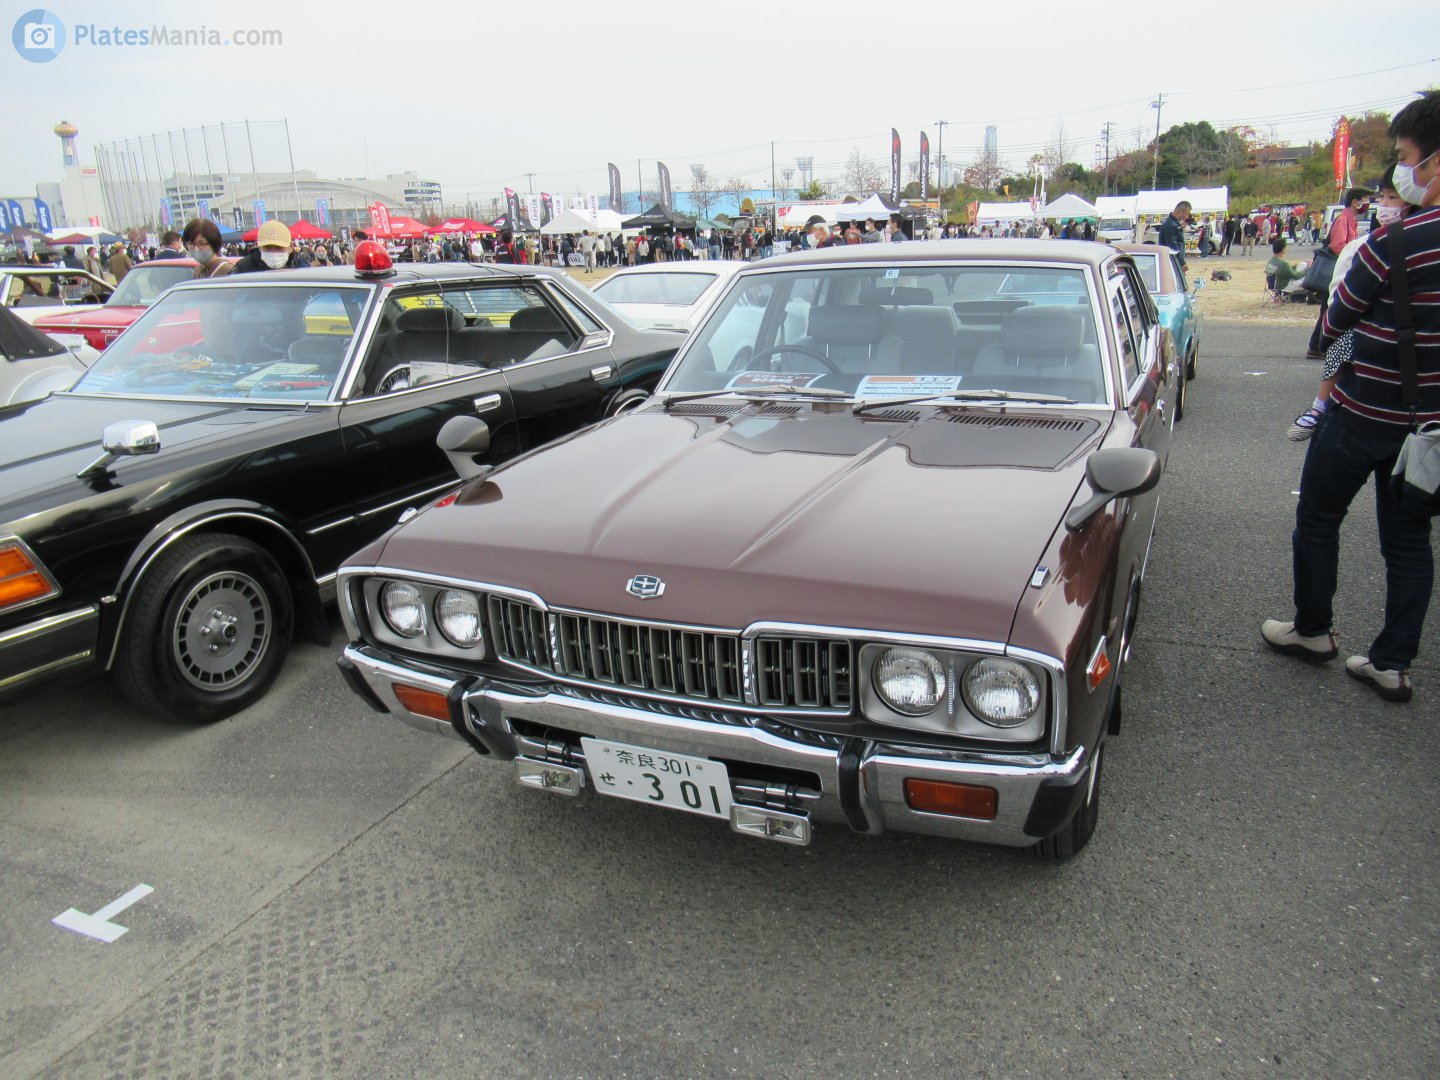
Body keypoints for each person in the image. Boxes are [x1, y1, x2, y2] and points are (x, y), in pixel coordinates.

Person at [1262, 90, 1440, 703]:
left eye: (1407, 159)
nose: (1401, 175)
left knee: (1318, 517)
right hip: (1429, 429)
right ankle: (1390, 663)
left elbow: (1335, 318)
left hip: (1365, 410)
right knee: (1409, 541)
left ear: (1436, 164)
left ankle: (1313, 630)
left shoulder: (1398, 243)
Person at [1286, 168, 1418, 441]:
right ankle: (1319, 406)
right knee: (1344, 336)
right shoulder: (1362, 245)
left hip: (1403, 338)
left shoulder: (1411, 242)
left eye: (1393, 198)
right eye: (1383, 197)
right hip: (1366, 328)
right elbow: (1339, 300)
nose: (1385, 205)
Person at [1305, 187, 1372, 358]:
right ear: (1354, 202)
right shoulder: (1343, 219)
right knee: (1329, 307)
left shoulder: (1350, 219)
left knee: (1329, 307)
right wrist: (1353, 253)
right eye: (1364, 200)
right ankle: (1317, 346)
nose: (1366, 204)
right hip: (1337, 269)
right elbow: (1337, 245)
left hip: (1341, 269)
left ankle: (1318, 346)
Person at [231, 220, 299, 273]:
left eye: (279, 247)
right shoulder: (243, 268)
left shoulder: (301, 265)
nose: (273, 252)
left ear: (291, 247)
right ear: (259, 246)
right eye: (267, 247)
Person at [1158, 200, 1191, 270]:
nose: (1187, 217)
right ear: (1180, 212)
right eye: (1187, 214)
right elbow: (1172, 246)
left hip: (1174, 261)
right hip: (1172, 263)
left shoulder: (1175, 223)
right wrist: (1182, 263)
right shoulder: (1170, 225)